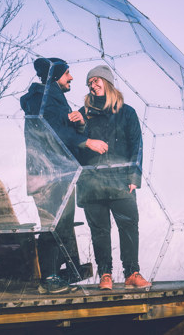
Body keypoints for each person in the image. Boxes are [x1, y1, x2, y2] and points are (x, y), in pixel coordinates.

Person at [19, 57, 107, 294]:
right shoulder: (42, 100)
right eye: (67, 73)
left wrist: (78, 122)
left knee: (62, 224)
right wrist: (85, 140)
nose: (71, 77)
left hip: (58, 173)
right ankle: (49, 276)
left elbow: (61, 129)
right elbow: (52, 134)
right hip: (48, 174)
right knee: (53, 223)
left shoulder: (54, 101)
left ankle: (60, 273)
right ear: (55, 76)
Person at [76, 64, 150, 290]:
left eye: (97, 80)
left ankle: (132, 273)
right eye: (90, 82)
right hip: (92, 184)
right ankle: (105, 274)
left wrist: (133, 177)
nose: (93, 84)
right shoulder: (83, 114)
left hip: (121, 182)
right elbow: (75, 149)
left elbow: (136, 146)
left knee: (129, 226)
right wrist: (79, 129)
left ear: (108, 83)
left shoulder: (127, 113)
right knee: (99, 231)